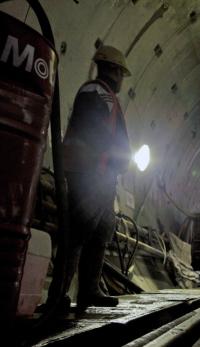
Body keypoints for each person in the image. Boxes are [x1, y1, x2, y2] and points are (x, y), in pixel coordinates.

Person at [47, 45, 131, 310]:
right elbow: (94, 132)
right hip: (90, 173)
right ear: (114, 70)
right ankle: (57, 296)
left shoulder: (105, 95)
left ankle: (89, 290)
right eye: (121, 73)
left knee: (102, 230)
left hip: (103, 175)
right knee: (79, 231)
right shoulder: (94, 91)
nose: (121, 80)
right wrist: (113, 157)